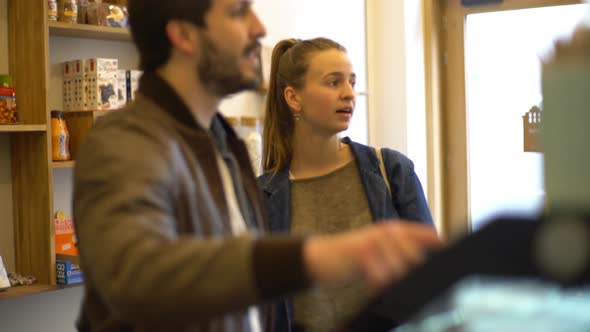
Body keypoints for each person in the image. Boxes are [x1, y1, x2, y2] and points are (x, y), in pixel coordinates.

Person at [72, 1, 441, 332]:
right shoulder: (126, 140)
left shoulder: (221, 146)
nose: (259, 28)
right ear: (184, 34)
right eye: (238, 11)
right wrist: (314, 257)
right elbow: (136, 276)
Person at [258, 37, 435, 332]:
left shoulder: (391, 171)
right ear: (293, 98)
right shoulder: (262, 196)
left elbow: (432, 280)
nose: (349, 94)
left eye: (352, 82)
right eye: (333, 83)